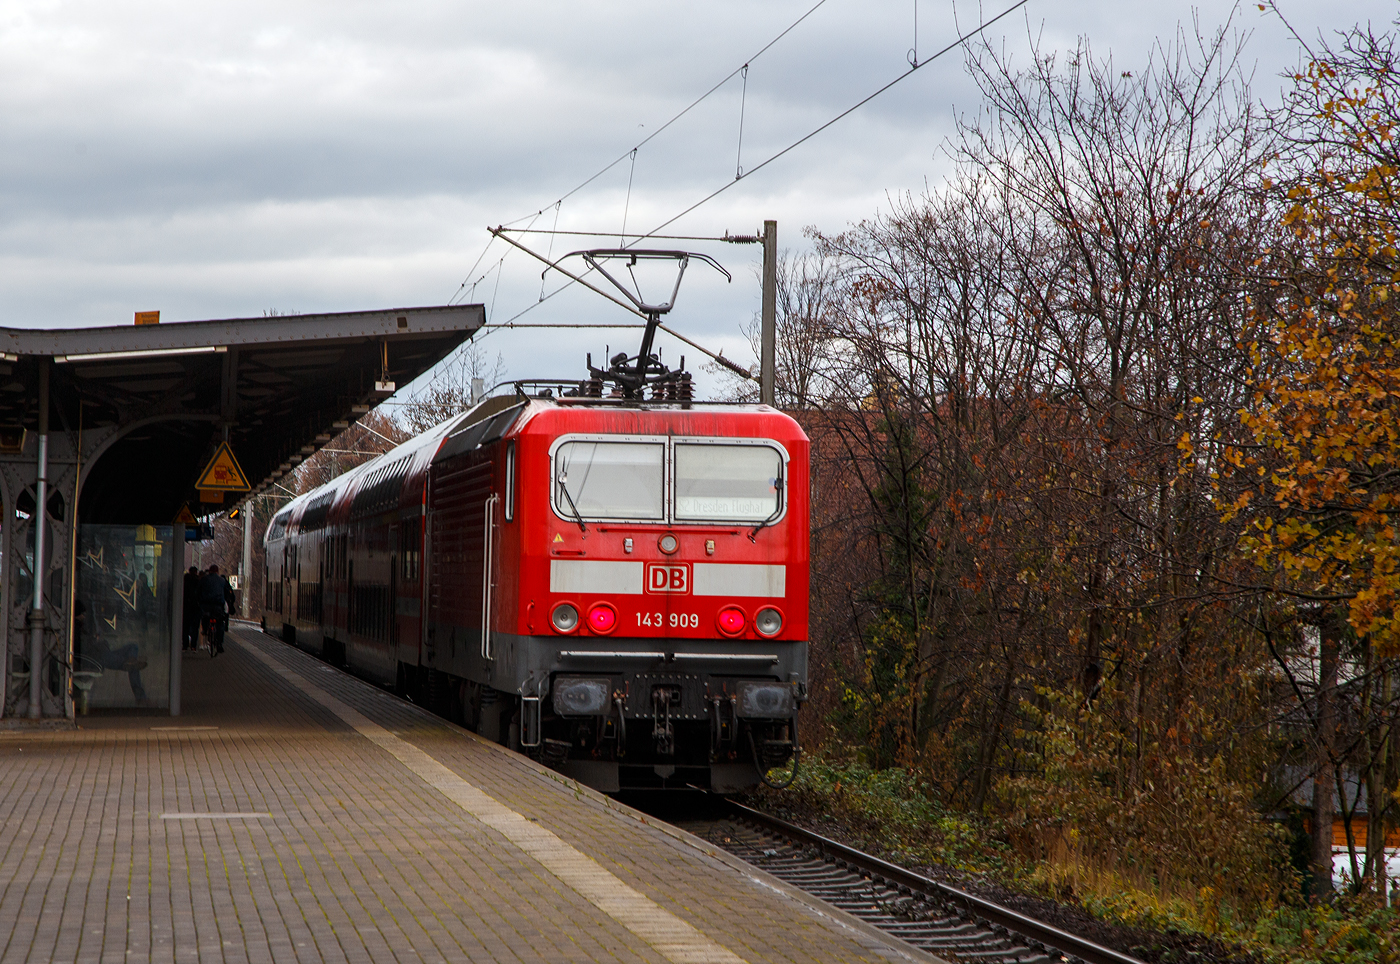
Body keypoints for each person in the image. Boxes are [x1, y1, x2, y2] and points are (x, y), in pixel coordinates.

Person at [198, 564, 233, 656]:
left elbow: (198, 591)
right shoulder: (222, 580)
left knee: (205, 617)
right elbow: (227, 593)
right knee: (220, 623)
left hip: (207, 605)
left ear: (209, 571)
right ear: (217, 572)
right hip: (218, 606)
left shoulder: (204, 579)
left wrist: (200, 601)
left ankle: (205, 630)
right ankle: (219, 644)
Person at [182, 566, 200, 650]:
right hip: (196, 607)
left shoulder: (185, 581)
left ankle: (185, 644)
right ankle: (193, 645)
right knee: (195, 627)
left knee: (185, 626)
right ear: (196, 572)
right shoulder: (198, 581)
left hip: (185, 607)